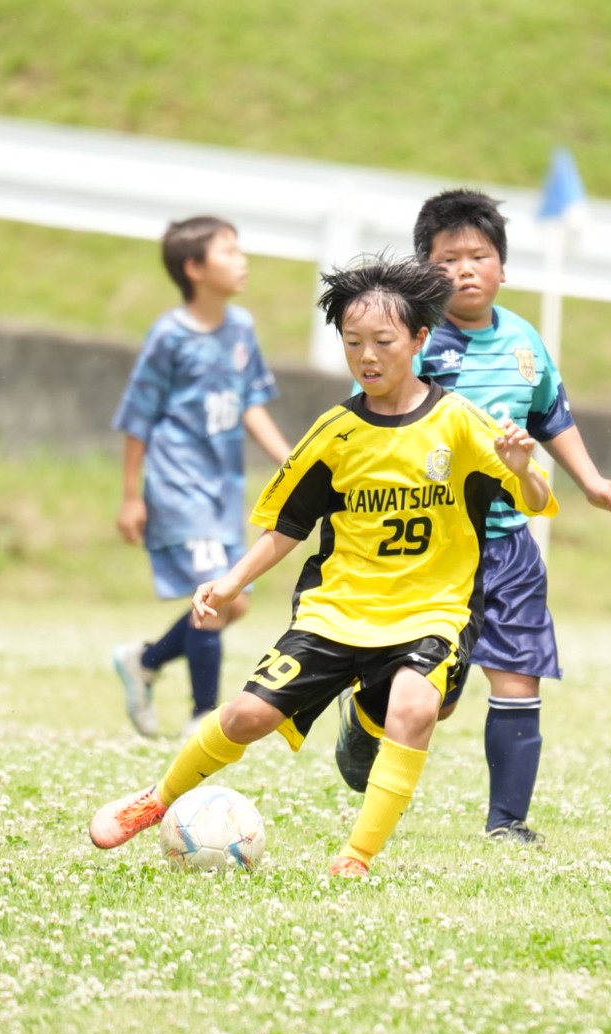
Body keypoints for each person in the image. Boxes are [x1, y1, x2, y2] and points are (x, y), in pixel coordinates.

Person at [89, 255, 559, 877]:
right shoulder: (335, 431)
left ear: (420, 339)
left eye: (383, 342)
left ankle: (355, 859)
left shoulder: (460, 423)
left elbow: (533, 500)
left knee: (416, 707)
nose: (367, 356)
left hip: (432, 611)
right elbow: (287, 525)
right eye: (353, 342)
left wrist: (522, 466)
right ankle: (158, 799)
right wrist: (230, 581)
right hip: (337, 610)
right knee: (246, 716)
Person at [334, 189, 611, 845]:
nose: (467, 269)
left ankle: (508, 824)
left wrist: (590, 482)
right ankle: (364, 718)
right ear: (424, 270)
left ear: (503, 267)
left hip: (509, 546)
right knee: (433, 701)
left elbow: (552, 415)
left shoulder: (526, 341)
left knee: (518, 676)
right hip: (430, 552)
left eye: (481, 255)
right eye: (449, 259)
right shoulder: (413, 342)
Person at [111, 216, 292, 740]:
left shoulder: (242, 329)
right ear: (194, 268)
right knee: (217, 599)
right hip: (176, 485)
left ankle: (144, 661)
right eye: (228, 251)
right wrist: (130, 496)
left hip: (221, 489)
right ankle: (203, 719)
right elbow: (137, 417)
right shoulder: (169, 335)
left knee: (237, 601)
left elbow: (250, 402)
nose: (243, 260)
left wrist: (290, 461)